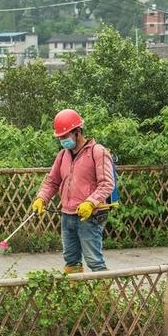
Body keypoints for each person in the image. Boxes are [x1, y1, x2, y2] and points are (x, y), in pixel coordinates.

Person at [31, 109, 115, 273]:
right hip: (67, 215)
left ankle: (103, 298)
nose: (62, 140)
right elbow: (52, 181)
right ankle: (74, 297)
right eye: (60, 137)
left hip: (89, 216)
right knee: (71, 261)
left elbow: (107, 183)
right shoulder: (63, 155)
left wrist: (90, 203)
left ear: (78, 132)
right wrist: (41, 198)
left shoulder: (97, 152)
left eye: (65, 136)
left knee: (94, 261)